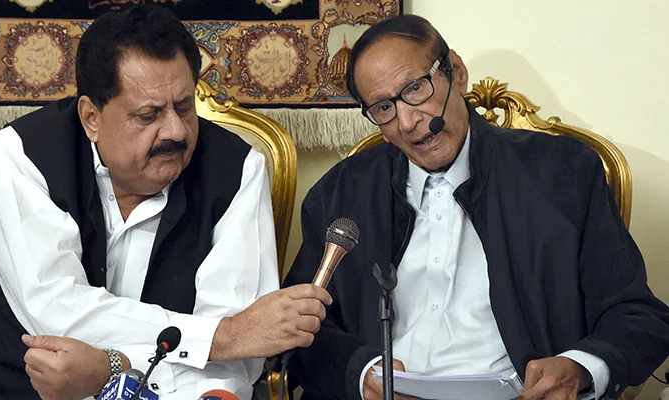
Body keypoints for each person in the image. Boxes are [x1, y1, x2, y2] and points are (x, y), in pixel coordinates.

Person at [282, 14, 669, 400]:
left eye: (416, 88)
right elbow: (297, 333)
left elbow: (637, 316)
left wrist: (579, 368)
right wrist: (360, 374)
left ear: (457, 73)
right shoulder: (341, 192)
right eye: (383, 108)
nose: (408, 121)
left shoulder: (563, 173)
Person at [0, 5, 330, 400]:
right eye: (148, 115)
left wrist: (113, 369)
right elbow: (57, 315)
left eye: (184, 106)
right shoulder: (21, 157)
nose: (175, 130)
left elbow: (239, 359)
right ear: (91, 116)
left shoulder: (238, 171)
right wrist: (222, 335)